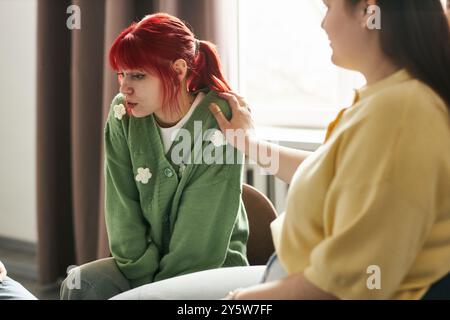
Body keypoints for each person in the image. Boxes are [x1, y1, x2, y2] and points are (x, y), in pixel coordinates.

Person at [111, 0, 450, 300]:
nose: (323, 22)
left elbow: (349, 280)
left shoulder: (401, 112)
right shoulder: (383, 101)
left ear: (369, 12)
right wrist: (247, 144)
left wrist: (243, 301)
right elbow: (329, 172)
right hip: (287, 276)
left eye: (328, 6)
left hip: (296, 286)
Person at [61, 13, 249, 300]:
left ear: (178, 70)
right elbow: (120, 206)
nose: (125, 87)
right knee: (81, 283)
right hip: (144, 264)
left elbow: (200, 243)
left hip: (212, 268)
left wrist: (153, 293)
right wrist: (141, 275)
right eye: (121, 74)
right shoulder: (123, 113)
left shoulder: (218, 119)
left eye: (138, 75)